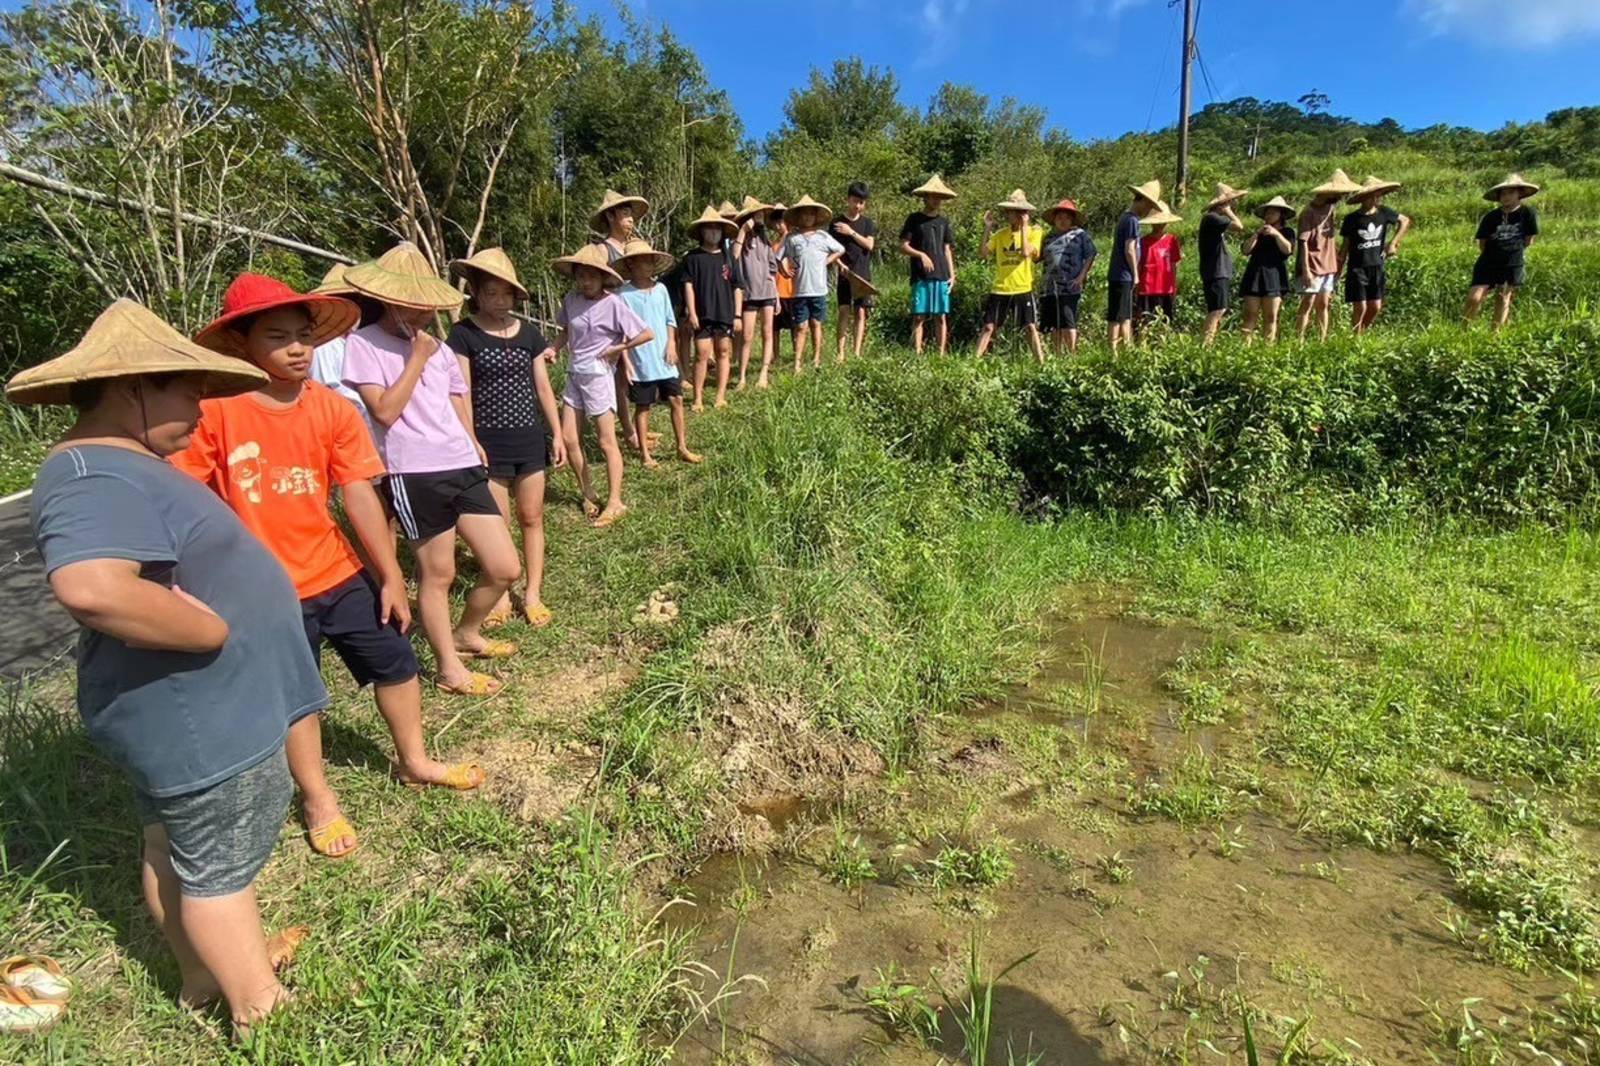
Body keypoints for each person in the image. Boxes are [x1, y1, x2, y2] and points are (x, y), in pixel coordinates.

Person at [10, 299, 321, 1031]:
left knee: (173, 849)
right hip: (201, 718)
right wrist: (209, 628)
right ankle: (258, 1006)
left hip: (183, 713)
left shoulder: (112, 464)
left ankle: (202, 974)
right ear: (133, 388)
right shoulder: (95, 474)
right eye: (186, 390)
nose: (202, 410)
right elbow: (92, 586)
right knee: (215, 870)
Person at [174, 273, 486, 863]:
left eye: (304, 336)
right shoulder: (214, 412)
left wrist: (390, 574)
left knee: (395, 659)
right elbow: (188, 504)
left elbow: (359, 493)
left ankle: (414, 760)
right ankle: (318, 799)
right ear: (242, 344)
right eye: (277, 336)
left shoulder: (329, 410)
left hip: (337, 568)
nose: (297, 349)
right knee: (299, 695)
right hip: (263, 589)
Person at [341, 242, 521, 698]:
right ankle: (449, 667)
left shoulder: (438, 348)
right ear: (387, 299)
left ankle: (467, 633)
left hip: (460, 462)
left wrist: (472, 439)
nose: (420, 314)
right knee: (437, 575)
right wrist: (415, 359)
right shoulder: (364, 344)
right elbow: (382, 411)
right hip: (413, 472)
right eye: (410, 305)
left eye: (425, 306)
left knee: (504, 567)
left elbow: (457, 397)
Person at [446, 248, 565, 630]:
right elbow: (459, 390)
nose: (498, 301)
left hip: (529, 439)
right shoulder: (463, 334)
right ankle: (497, 594)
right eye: (490, 293)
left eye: (505, 294)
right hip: (488, 442)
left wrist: (558, 433)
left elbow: (543, 389)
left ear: (515, 297)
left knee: (532, 517)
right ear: (476, 294)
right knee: (497, 522)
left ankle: (532, 593)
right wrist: (470, 439)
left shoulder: (529, 335)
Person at [552, 242, 653, 527]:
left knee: (606, 440)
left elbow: (645, 334)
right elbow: (566, 330)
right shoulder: (571, 300)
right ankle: (587, 492)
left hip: (598, 375)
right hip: (574, 373)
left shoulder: (612, 303)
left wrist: (617, 349)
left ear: (602, 277)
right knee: (570, 437)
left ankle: (615, 501)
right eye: (581, 275)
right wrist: (554, 348)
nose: (585, 281)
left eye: (591, 275)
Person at [618, 239, 703, 467]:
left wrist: (672, 345)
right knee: (643, 406)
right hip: (641, 361)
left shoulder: (661, 289)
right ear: (631, 265)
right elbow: (621, 333)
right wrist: (626, 362)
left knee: (676, 399)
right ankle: (645, 454)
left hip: (665, 359)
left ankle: (682, 446)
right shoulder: (623, 295)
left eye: (649, 260)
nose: (647, 265)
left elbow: (669, 320)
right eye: (642, 261)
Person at [590, 189, 652, 450]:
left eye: (631, 215)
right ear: (611, 216)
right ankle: (627, 432)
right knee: (619, 378)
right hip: (612, 322)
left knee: (632, 375)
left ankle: (635, 427)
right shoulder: (603, 250)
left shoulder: (630, 247)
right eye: (625, 214)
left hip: (631, 320)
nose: (630, 220)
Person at [974, 188, 1045, 362]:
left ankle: (1041, 363)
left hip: (1022, 287)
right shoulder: (1000, 235)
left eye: (1013, 211)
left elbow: (1027, 252)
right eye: (1009, 211)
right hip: (1001, 288)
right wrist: (987, 228)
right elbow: (983, 253)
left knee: (1029, 327)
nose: (1009, 215)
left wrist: (1024, 228)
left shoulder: (1035, 231)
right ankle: (974, 363)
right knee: (989, 327)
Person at [1464, 173, 1541, 331]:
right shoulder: (1491, 217)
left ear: (1519, 194)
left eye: (1511, 192)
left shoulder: (1528, 214)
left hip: (1512, 263)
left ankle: (1495, 335)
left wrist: (1512, 253)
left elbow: (1528, 240)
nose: (1506, 197)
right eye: (1503, 194)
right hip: (1488, 262)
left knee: (1503, 298)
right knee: (1474, 297)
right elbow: (1482, 242)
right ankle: (1463, 330)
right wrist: (1493, 256)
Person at [681, 204, 738, 410]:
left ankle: (720, 396)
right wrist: (692, 312)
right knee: (702, 354)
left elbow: (737, 287)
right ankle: (697, 398)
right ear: (701, 231)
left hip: (724, 312)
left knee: (723, 352)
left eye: (717, 228)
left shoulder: (728, 257)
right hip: (702, 314)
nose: (713, 232)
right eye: (709, 228)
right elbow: (688, 285)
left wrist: (737, 315)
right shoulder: (692, 258)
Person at [1339, 175, 1411, 334]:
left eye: (1377, 195)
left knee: (1375, 306)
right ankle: (1356, 338)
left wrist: (1393, 243)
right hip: (1356, 268)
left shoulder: (1384, 213)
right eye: (1371, 196)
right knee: (1360, 306)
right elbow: (1345, 246)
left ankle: (1360, 332)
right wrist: (1339, 269)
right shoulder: (1351, 219)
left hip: (1376, 265)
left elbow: (1404, 221)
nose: (1375, 199)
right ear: (1363, 198)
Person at [781, 195, 846, 373]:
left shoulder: (823, 236)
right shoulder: (792, 238)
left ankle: (816, 359)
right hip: (800, 291)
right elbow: (780, 257)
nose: (808, 218)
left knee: (816, 324)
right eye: (804, 214)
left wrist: (827, 260)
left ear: (816, 217)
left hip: (818, 290)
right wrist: (784, 270)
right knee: (801, 327)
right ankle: (797, 363)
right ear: (799, 217)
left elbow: (840, 249)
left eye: (811, 214)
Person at [1296, 170, 1360, 342]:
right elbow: (1303, 242)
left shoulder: (1331, 208)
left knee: (1324, 303)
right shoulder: (1308, 212)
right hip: (1312, 264)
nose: (1342, 196)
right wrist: (1306, 270)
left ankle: (1322, 340)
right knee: (1307, 303)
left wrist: (1337, 259)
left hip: (1328, 263)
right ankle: (1298, 341)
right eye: (1340, 193)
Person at [900, 175, 958, 356]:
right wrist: (921, 254)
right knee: (919, 316)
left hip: (941, 274)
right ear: (925, 197)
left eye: (938, 197)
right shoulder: (914, 219)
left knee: (941, 316)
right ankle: (917, 352)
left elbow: (947, 248)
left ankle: (941, 354)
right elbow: (903, 246)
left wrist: (952, 274)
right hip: (920, 275)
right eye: (932, 196)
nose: (935, 200)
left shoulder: (944, 222)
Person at [733, 196, 781, 389]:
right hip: (749, 294)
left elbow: (772, 271)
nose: (760, 217)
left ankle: (763, 374)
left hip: (768, 292)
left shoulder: (765, 239)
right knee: (747, 335)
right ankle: (742, 377)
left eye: (761, 214)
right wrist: (743, 231)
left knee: (767, 332)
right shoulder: (741, 239)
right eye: (756, 214)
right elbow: (734, 257)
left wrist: (776, 296)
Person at [1038, 199, 1097, 354]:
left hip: (1070, 285)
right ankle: (1057, 356)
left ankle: (1072, 355)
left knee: (1068, 322)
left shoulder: (1079, 235)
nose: (1063, 221)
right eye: (1059, 218)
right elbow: (1037, 258)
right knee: (1053, 325)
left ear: (1071, 220)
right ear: (1054, 220)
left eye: (1066, 218)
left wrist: (1082, 276)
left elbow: (1091, 254)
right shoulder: (1048, 238)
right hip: (1050, 287)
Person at [1109, 180, 1160, 352]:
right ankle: (1116, 352)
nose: (1149, 210)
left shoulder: (1126, 218)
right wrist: (1135, 274)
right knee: (1119, 316)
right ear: (1143, 200)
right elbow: (1129, 249)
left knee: (1124, 314)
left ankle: (1125, 350)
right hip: (1123, 274)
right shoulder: (1131, 220)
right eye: (1149, 205)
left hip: (1121, 274)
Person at [1240, 196, 1298, 344]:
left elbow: (1288, 250)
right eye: (1267, 213)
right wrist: (1256, 234)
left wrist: (1275, 233)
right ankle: (1245, 347)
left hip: (1274, 277)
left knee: (1271, 316)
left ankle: (1268, 347)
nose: (1268, 216)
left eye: (1272, 213)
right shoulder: (1258, 233)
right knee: (1250, 314)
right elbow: (1246, 250)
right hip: (1254, 275)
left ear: (1281, 215)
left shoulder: (1288, 232)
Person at [832, 181, 877, 363]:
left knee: (860, 312)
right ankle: (840, 353)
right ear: (848, 200)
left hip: (863, 274)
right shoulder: (836, 223)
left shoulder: (867, 223)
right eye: (854, 200)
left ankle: (857, 352)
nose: (857, 205)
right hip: (844, 274)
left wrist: (851, 232)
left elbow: (870, 245)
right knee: (844, 310)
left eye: (861, 202)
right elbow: (830, 250)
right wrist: (839, 264)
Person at [1198, 183, 1246, 346]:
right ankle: (1205, 344)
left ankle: (1208, 343)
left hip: (1218, 271)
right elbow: (1239, 226)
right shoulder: (1212, 218)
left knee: (1219, 308)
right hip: (1215, 271)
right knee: (1217, 309)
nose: (1232, 204)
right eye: (1230, 202)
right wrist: (1228, 211)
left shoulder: (1213, 221)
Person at [1136, 201, 1183, 334]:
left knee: (1165, 321)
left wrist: (1174, 286)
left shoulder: (1172, 240)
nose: (1159, 225)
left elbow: (1174, 265)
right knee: (1145, 321)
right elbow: (1139, 264)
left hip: (1165, 288)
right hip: (1147, 287)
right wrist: (1137, 286)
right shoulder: (1143, 242)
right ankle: (1143, 348)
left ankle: (1163, 346)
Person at [769, 203, 796, 370]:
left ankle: (796, 354)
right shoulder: (773, 245)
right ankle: (776, 355)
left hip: (792, 291)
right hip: (777, 291)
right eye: (776, 222)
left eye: (782, 222)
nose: (779, 225)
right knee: (775, 328)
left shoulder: (794, 241)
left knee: (795, 327)